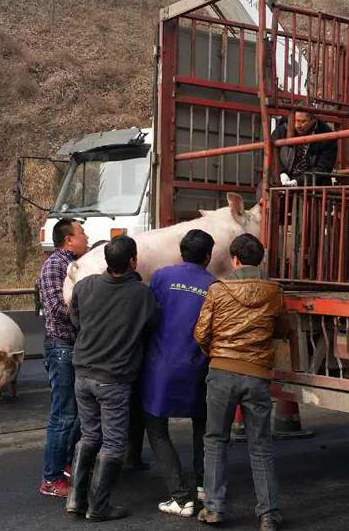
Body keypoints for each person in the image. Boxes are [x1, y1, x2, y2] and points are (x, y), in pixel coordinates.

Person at [194, 233, 289, 531]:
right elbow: (282, 328)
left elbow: (201, 333)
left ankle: (214, 509)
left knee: (215, 440)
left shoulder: (218, 290)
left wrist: (217, 355)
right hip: (257, 375)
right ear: (259, 259)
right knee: (260, 446)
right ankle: (269, 515)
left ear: (234, 260)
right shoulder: (275, 291)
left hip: (221, 372)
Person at [66, 235, 157, 522]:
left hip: (82, 373)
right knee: (115, 442)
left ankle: (76, 498)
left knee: (90, 435)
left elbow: (76, 320)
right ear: (133, 262)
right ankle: (99, 506)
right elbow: (151, 327)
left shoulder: (84, 287)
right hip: (114, 378)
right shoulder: (142, 294)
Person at [141, 229, 217, 518]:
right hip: (198, 365)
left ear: (180, 251)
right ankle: (202, 484)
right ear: (208, 256)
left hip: (161, 365)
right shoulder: (214, 285)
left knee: (157, 427)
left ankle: (179, 496)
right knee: (202, 425)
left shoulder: (161, 277)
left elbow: (150, 316)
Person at [38, 219, 89, 498]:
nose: (86, 236)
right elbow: (57, 307)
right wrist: (90, 320)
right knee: (64, 414)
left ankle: (67, 465)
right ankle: (51, 478)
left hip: (73, 346)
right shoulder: (56, 265)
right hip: (62, 346)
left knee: (77, 413)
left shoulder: (79, 264)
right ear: (68, 240)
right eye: (81, 233)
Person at [272, 109, 338, 186]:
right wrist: (281, 172)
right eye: (296, 120)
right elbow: (271, 151)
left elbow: (324, 167)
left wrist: (298, 181)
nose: (298, 125)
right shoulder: (283, 128)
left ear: (313, 120)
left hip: (313, 184)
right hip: (284, 178)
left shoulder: (326, 134)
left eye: (302, 121)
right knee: (263, 188)